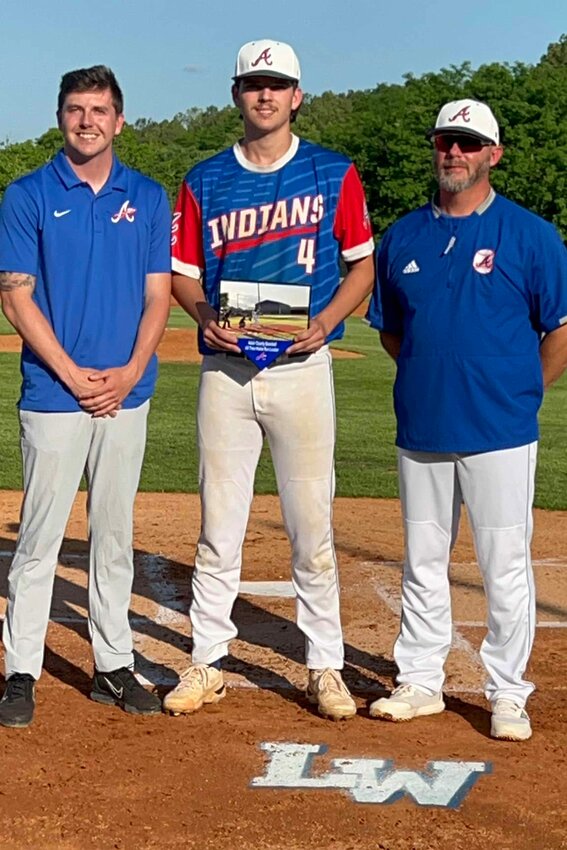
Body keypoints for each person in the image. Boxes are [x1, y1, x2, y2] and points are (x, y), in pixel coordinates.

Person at [164, 39, 374, 720]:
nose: (264, 95)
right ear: (236, 95)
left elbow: (361, 267)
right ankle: (205, 662)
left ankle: (324, 667)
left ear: (296, 96)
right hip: (226, 370)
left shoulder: (329, 172)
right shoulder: (204, 179)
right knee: (217, 528)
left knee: (310, 528)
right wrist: (201, 313)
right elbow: (184, 274)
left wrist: (325, 322)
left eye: (276, 84)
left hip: (301, 368)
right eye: (253, 84)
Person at [367, 99, 567, 740]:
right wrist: (433, 375)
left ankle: (508, 691)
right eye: (446, 142)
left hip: (500, 430)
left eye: (469, 143)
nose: (455, 153)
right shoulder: (401, 237)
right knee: (423, 557)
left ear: (493, 154)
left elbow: (560, 329)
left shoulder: (531, 235)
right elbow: (392, 332)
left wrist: (520, 392)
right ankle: (421, 680)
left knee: (504, 562)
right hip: (423, 427)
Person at [0, 65, 172, 727]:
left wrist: (130, 370)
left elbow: (158, 294)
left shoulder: (148, 197)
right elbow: (16, 296)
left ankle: (113, 665)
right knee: (40, 538)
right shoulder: (28, 194)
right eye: (75, 109)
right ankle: (21, 672)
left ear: (119, 119)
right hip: (53, 392)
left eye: (99, 109)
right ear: (59, 116)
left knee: (114, 535)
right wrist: (73, 375)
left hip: (128, 392)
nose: (87, 120)